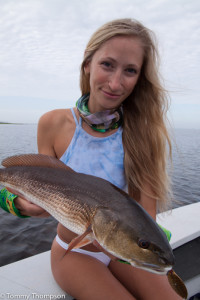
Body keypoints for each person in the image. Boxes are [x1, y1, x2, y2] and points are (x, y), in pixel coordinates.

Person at [0, 19, 182, 300]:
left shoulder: (145, 135)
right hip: (75, 252)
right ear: (88, 64)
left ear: (139, 77)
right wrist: (16, 204)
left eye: (130, 70)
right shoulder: (52, 123)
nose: (115, 82)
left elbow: (146, 219)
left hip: (125, 251)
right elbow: (30, 184)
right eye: (107, 64)